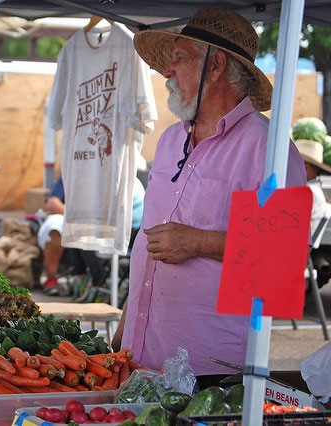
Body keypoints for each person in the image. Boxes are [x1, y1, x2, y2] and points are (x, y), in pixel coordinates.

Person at [111, 8, 306, 384]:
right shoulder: (170, 141)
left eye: (179, 59)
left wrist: (198, 241)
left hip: (211, 373)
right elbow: (148, 250)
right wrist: (124, 331)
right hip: (139, 360)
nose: (167, 72)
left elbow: (284, 261)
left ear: (215, 67)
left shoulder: (266, 148)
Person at [38, 175, 144, 298]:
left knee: (83, 229)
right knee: (62, 226)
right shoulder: (77, 170)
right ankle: (67, 278)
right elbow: (52, 203)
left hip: (129, 232)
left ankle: (95, 281)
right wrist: (74, 215)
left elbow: (108, 213)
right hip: (97, 223)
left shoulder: (119, 176)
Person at [295, 139, 331, 287]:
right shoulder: (315, 189)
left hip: (299, 249)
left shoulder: (309, 192)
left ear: (307, 167)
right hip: (305, 248)